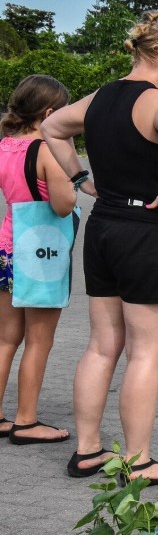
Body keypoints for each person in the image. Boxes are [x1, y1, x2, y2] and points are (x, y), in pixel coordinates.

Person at [41, 9, 158, 484]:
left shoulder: (101, 97)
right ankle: (139, 459)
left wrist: (82, 177)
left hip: (104, 226)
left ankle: (88, 451)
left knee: (101, 346)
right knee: (144, 353)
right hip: (147, 230)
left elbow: (51, 128)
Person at [0, 75, 76, 444]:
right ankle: (26, 421)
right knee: (38, 341)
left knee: (4, 340)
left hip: (7, 248)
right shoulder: (47, 150)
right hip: (40, 254)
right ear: (49, 113)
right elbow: (63, 206)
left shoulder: (5, 145)